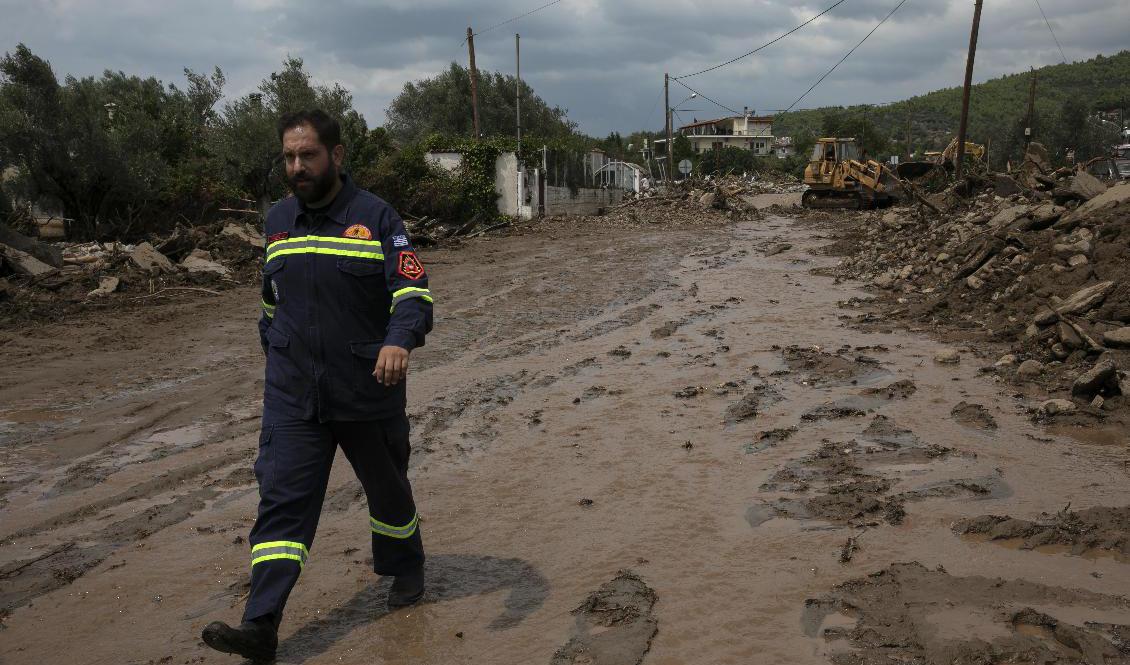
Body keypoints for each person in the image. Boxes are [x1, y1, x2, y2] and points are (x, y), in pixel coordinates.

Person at [202, 109, 434, 662]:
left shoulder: (376, 217)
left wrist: (398, 340)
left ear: (337, 155)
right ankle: (260, 625)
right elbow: (269, 302)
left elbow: (413, 290)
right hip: (294, 395)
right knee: (282, 504)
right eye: (289, 156)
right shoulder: (277, 219)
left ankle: (406, 567)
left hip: (366, 387)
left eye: (308, 155)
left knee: (388, 492)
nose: (297, 166)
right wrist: (278, 354)